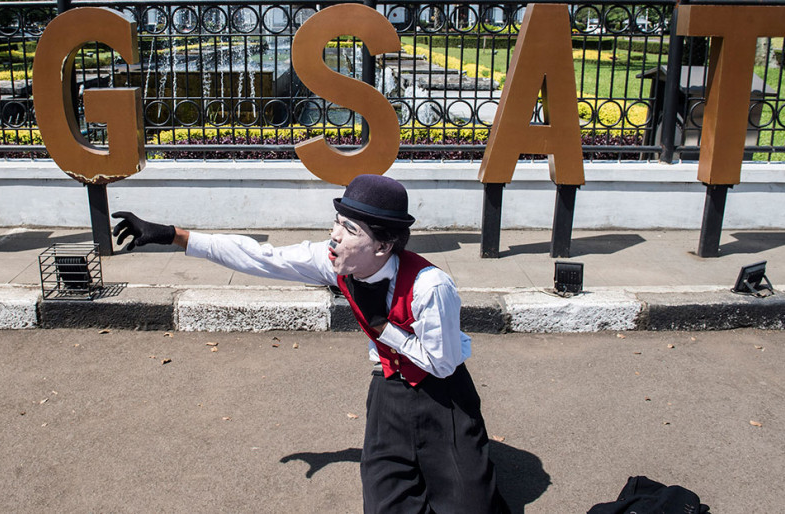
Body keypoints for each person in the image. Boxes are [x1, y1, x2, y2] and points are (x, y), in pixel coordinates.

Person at [112, 173, 510, 514]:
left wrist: (382, 325)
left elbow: (441, 364)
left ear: (383, 245)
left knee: (467, 504)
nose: (334, 236)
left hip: (446, 394)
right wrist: (172, 235)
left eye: (350, 230)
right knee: (388, 503)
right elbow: (259, 256)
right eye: (336, 222)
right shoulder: (330, 259)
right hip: (390, 387)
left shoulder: (431, 287)